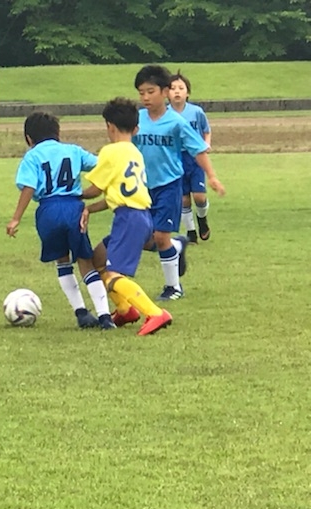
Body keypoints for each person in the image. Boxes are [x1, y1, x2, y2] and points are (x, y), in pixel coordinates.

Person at [6, 112, 113, 329]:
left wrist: (16, 218)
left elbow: (29, 187)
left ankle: (81, 313)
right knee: (86, 261)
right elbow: (102, 165)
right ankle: (105, 317)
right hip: (73, 208)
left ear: (29, 139)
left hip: (47, 210)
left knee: (62, 261)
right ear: (58, 133)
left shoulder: (32, 156)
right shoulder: (72, 150)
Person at [133, 64, 225, 301]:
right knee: (144, 239)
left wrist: (212, 176)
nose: (145, 97)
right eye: (141, 92)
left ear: (164, 92)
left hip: (169, 185)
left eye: (150, 91)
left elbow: (199, 150)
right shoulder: (136, 120)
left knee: (160, 237)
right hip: (142, 187)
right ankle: (178, 245)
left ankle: (173, 287)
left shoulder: (176, 122)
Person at [80, 98, 172, 336]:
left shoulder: (110, 152)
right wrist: (90, 209)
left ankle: (155, 313)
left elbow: (95, 189)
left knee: (112, 275)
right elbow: (116, 196)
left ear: (109, 126)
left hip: (129, 218)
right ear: (136, 129)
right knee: (98, 258)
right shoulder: (134, 152)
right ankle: (125, 310)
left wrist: (74, 196)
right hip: (138, 215)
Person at [168, 71, 212, 243]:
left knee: (199, 196)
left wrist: (206, 144)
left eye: (181, 88)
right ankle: (191, 232)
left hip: (194, 158)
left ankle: (202, 220)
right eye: (172, 88)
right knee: (184, 199)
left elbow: (206, 130)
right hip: (176, 159)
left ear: (188, 92)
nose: (177, 92)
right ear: (166, 93)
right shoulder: (166, 114)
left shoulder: (196, 112)